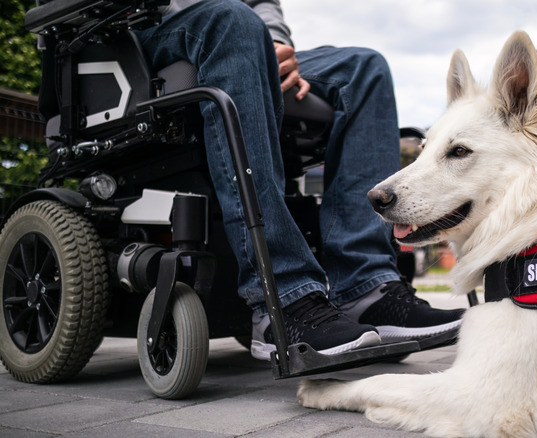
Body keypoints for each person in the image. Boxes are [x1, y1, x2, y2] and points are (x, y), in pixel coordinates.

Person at [134, 0, 464, 360]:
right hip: (146, 30)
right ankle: (283, 299)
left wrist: (274, 45)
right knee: (232, 21)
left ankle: (365, 291)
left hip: (242, 36)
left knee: (365, 68)